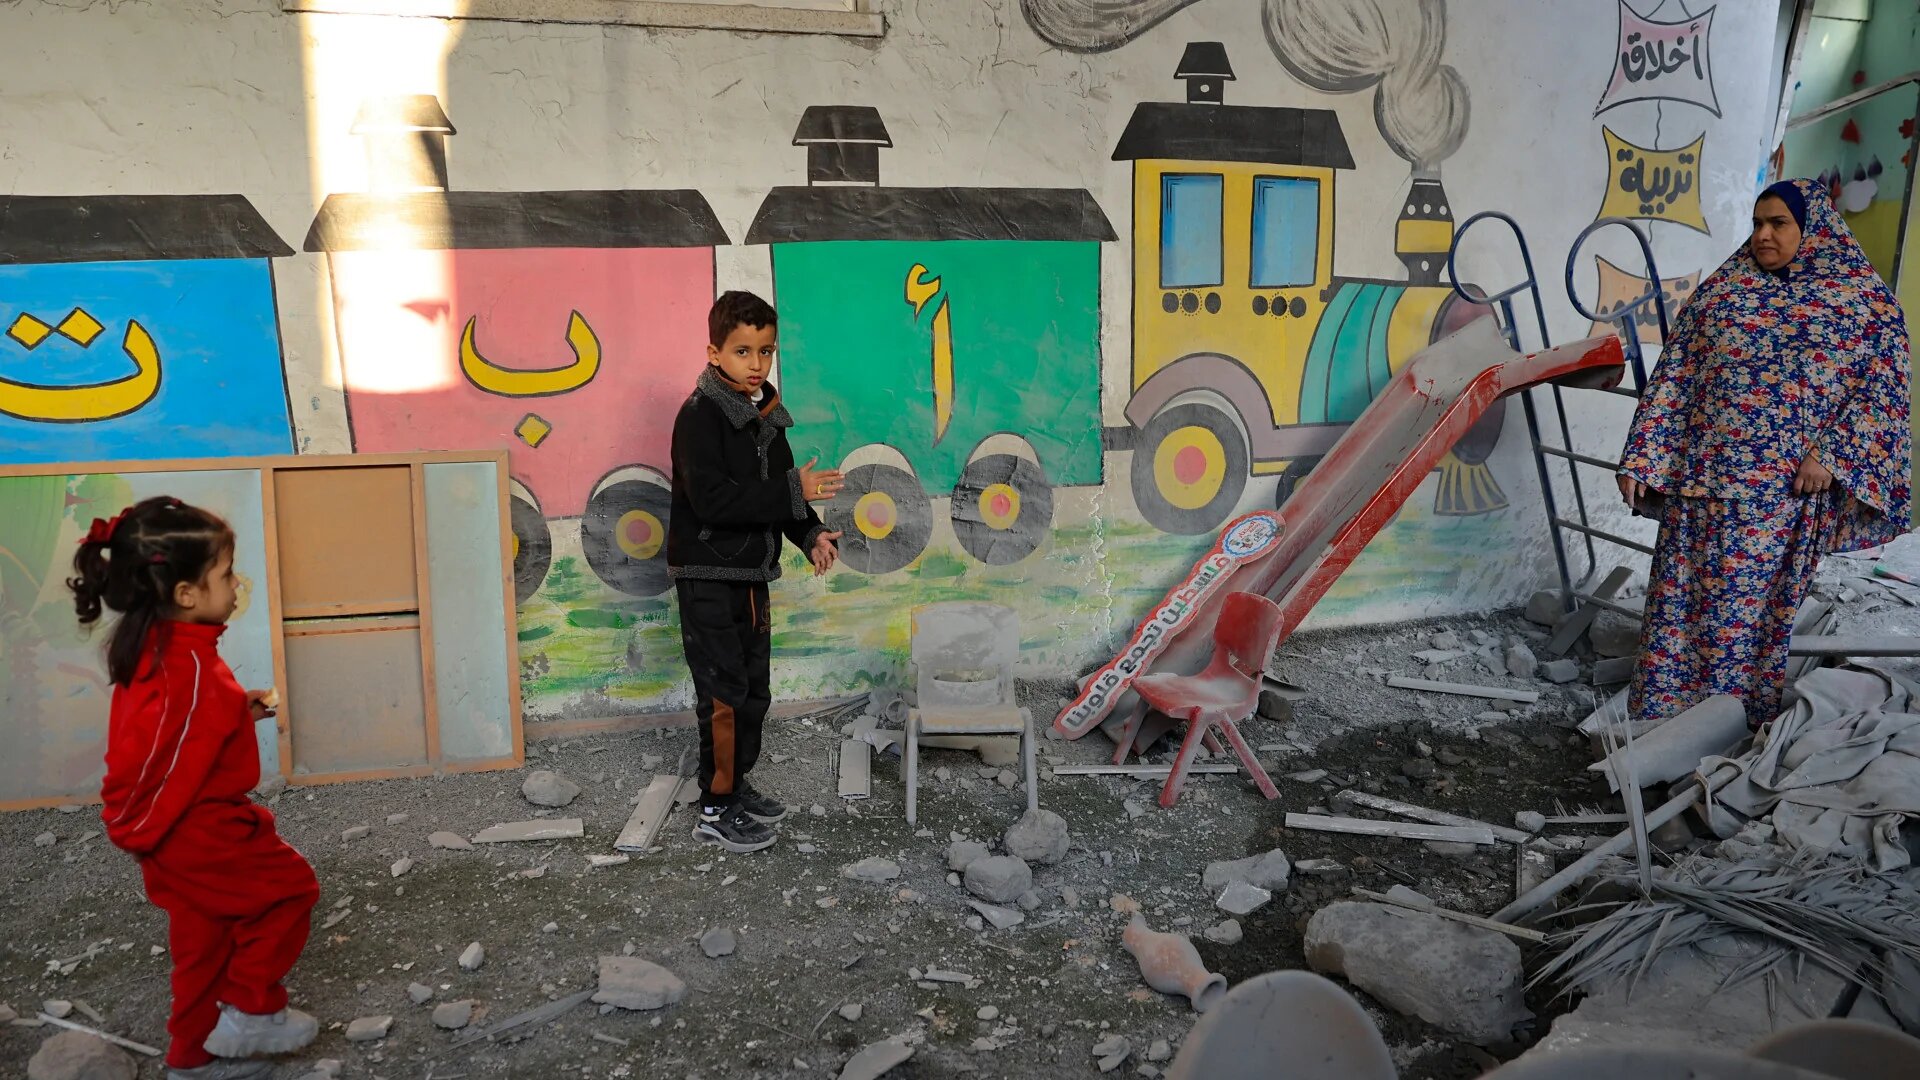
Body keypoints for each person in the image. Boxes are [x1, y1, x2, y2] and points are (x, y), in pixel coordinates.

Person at [1617, 177, 1912, 728]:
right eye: (1757, 223)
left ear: (1813, 228)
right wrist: (1644, 453)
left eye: (1779, 224)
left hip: (1779, 496)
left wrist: (1833, 454)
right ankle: (1660, 725)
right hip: (1701, 482)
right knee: (1676, 608)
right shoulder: (1724, 293)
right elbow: (1676, 373)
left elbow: (1884, 388)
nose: (1763, 235)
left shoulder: (1861, 305)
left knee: (1744, 618)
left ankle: (1725, 729)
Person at [68, 496, 321, 1079]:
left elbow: (177, 733)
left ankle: (193, 1058)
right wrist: (138, 829)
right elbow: (160, 752)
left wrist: (238, 712)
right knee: (288, 892)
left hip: (177, 832)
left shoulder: (163, 649)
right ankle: (253, 1013)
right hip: (197, 830)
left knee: (202, 942)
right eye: (225, 575)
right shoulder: (190, 669)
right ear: (186, 594)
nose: (236, 586)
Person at [669, 290, 844, 853]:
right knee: (722, 694)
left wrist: (811, 533)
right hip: (707, 577)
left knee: (753, 692)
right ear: (714, 352)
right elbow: (715, 502)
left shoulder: (765, 415)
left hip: (749, 578)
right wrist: (794, 491)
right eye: (742, 351)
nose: (756, 364)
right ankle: (715, 807)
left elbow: (783, 497)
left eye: (765, 352)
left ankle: (737, 786)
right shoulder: (699, 418)